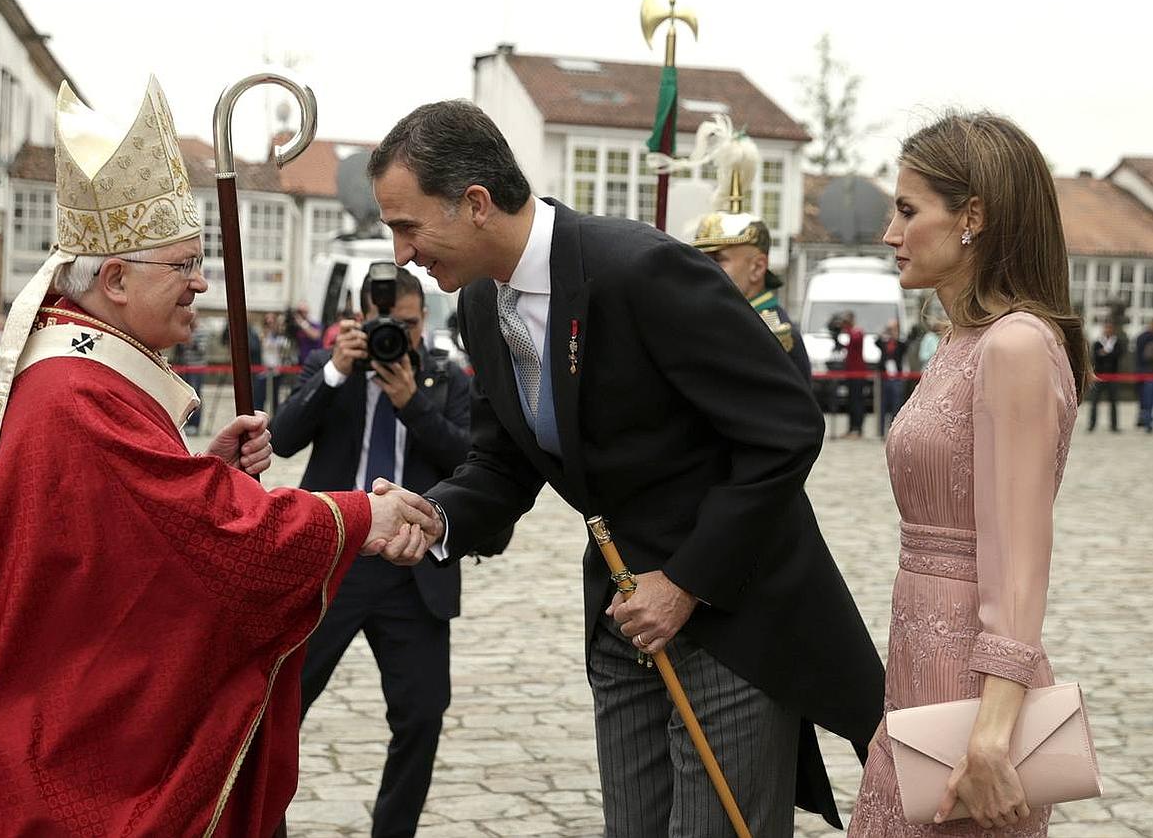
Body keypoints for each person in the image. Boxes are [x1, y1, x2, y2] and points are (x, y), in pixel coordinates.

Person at [0, 76, 436, 837]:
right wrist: (356, 514)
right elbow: (198, 531)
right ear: (112, 278)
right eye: (182, 265)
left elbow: (132, 522)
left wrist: (203, 466)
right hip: (68, 737)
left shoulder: (77, 369)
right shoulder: (77, 392)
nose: (202, 282)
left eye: (202, 261)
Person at [369, 100, 883, 836]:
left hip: (731, 619)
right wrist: (439, 513)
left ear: (476, 204)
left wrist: (684, 582)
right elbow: (503, 459)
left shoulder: (640, 269)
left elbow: (786, 428)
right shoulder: (482, 305)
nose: (400, 253)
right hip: (621, 625)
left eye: (407, 226)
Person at [850, 112, 1091, 836]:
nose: (889, 234)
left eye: (906, 210)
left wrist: (990, 734)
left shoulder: (1014, 343)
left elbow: (1017, 558)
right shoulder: (961, 340)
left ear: (972, 217)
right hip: (918, 674)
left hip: (973, 691)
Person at [273, 265, 507, 837]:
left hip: (412, 571)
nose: (394, 339)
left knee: (422, 715)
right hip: (333, 564)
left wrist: (411, 403)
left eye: (405, 325)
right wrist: (333, 371)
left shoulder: (445, 379)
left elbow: (470, 462)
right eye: (383, 325)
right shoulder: (333, 372)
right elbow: (282, 438)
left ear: (424, 321)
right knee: (281, 705)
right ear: (358, 320)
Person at [689, 128, 810, 381]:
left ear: (757, 268)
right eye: (703, 259)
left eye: (719, 260)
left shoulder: (773, 333)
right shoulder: (725, 317)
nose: (704, 269)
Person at [173, 312, 209, 435]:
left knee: (196, 396)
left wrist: (191, 341)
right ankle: (185, 423)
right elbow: (179, 351)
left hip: (197, 368)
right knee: (185, 395)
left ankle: (195, 424)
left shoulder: (201, 331)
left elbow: (202, 350)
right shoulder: (184, 331)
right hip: (185, 367)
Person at [1088, 319, 1124, 432]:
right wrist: (1108, 354)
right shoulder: (1098, 342)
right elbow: (1095, 357)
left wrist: (1105, 353)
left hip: (1113, 376)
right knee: (1094, 401)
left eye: (1110, 328)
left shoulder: (1117, 342)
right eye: (1106, 328)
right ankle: (1092, 424)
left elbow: (1118, 355)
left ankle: (1114, 425)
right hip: (1099, 376)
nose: (1108, 330)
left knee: (1114, 402)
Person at [874, 320, 907, 437]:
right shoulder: (884, 343)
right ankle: (881, 431)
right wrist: (885, 330)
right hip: (884, 377)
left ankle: (893, 429)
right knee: (882, 404)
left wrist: (896, 334)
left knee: (896, 404)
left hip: (896, 378)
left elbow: (905, 345)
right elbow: (876, 341)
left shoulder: (900, 344)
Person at [841, 311, 867, 437]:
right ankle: (851, 428)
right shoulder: (850, 333)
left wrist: (847, 330)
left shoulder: (857, 332)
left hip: (857, 373)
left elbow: (856, 339)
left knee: (857, 401)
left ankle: (857, 429)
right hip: (850, 372)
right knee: (850, 401)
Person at [1136, 317, 1153, 432]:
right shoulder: (1143, 337)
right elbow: (1143, 357)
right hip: (1146, 374)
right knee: (1146, 400)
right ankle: (1146, 422)